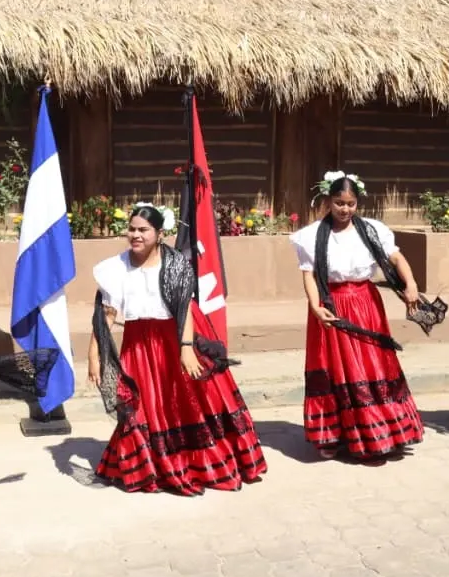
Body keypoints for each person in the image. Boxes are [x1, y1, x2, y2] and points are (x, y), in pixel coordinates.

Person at [89, 204, 266, 494]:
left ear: (159, 234)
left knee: (183, 403)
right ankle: (150, 468)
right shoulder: (114, 268)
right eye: (132, 229)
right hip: (137, 346)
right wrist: (94, 356)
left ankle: (196, 464)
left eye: (143, 230)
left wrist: (186, 349)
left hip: (173, 338)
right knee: (141, 407)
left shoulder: (176, 264)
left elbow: (184, 311)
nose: (135, 235)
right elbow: (106, 316)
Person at [290, 171, 424, 460]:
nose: (345, 209)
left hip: (366, 304)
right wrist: (315, 307)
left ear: (358, 203)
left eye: (350, 203)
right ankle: (333, 435)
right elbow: (309, 275)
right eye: (339, 202)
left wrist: (411, 284)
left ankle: (381, 431)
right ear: (329, 201)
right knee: (335, 367)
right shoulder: (311, 235)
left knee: (372, 365)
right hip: (331, 305)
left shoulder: (373, 230)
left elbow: (396, 258)